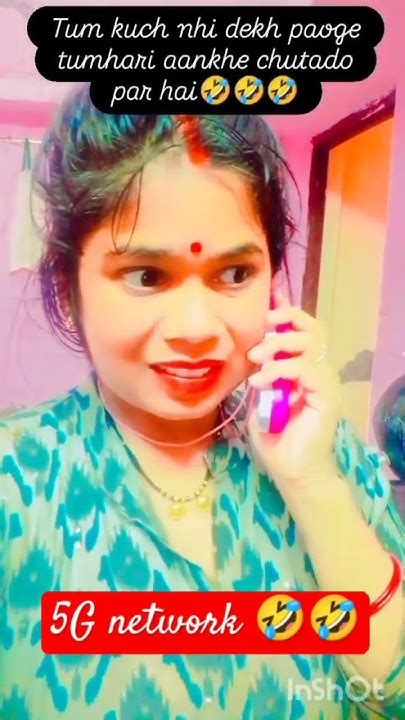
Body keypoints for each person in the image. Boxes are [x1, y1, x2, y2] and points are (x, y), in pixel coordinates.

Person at [0, 86, 403, 720]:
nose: (197, 328)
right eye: (146, 276)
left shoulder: (331, 458)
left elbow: (393, 694)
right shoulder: (16, 484)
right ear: (67, 290)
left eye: (235, 274)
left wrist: (313, 485)